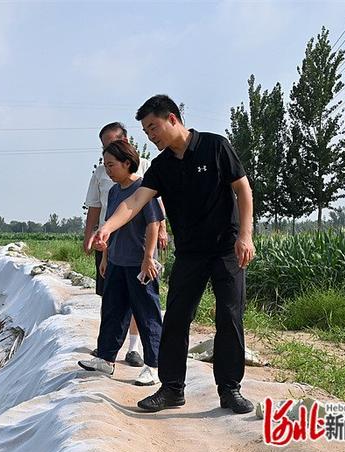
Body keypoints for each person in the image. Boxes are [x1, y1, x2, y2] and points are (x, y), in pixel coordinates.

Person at [88, 95, 256, 415]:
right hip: (190, 253)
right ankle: (172, 389)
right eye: (146, 131)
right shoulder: (162, 166)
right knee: (176, 318)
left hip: (226, 249)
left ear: (173, 119)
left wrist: (246, 236)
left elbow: (243, 189)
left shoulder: (215, 146)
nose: (151, 135)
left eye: (153, 127)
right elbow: (134, 202)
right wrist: (107, 227)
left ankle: (230, 389)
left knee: (229, 317)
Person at [79, 139, 164, 386]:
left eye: (111, 165)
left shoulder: (144, 189)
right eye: (105, 165)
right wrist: (105, 256)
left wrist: (148, 258)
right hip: (116, 261)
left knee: (147, 314)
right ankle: (106, 359)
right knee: (112, 312)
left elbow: (154, 224)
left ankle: (153, 366)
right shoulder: (114, 191)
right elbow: (111, 225)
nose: (108, 170)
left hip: (139, 265)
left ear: (128, 163)